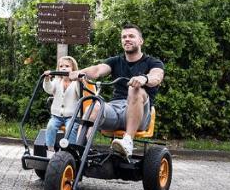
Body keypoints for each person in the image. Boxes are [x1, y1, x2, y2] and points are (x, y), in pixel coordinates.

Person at [75, 24, 165, 157]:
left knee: (134, 89)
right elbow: (97, 70)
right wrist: (77, 73)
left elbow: (156, 76)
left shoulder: (153, 62)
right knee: (95, 105)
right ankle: (78, 151)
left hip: (139, 115)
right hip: (115, 111)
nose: (127, 39)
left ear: (141, 41)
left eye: (131, 36)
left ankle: (128, 141)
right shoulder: (115, 61)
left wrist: (144, 78)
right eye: (124, 37)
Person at [41, 56, 82, 152]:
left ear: (73, 69)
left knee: (70, 129)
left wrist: (79, 82)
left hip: (72, 116)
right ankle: (50, 148)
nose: (63, 68)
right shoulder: (57, 81)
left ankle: (71, 150)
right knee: (50, 126)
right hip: (57, 115)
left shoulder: (75, 83)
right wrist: (47, 79)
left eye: (67, 66)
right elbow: (49, 89)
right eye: (61, 66)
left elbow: (81, 94)